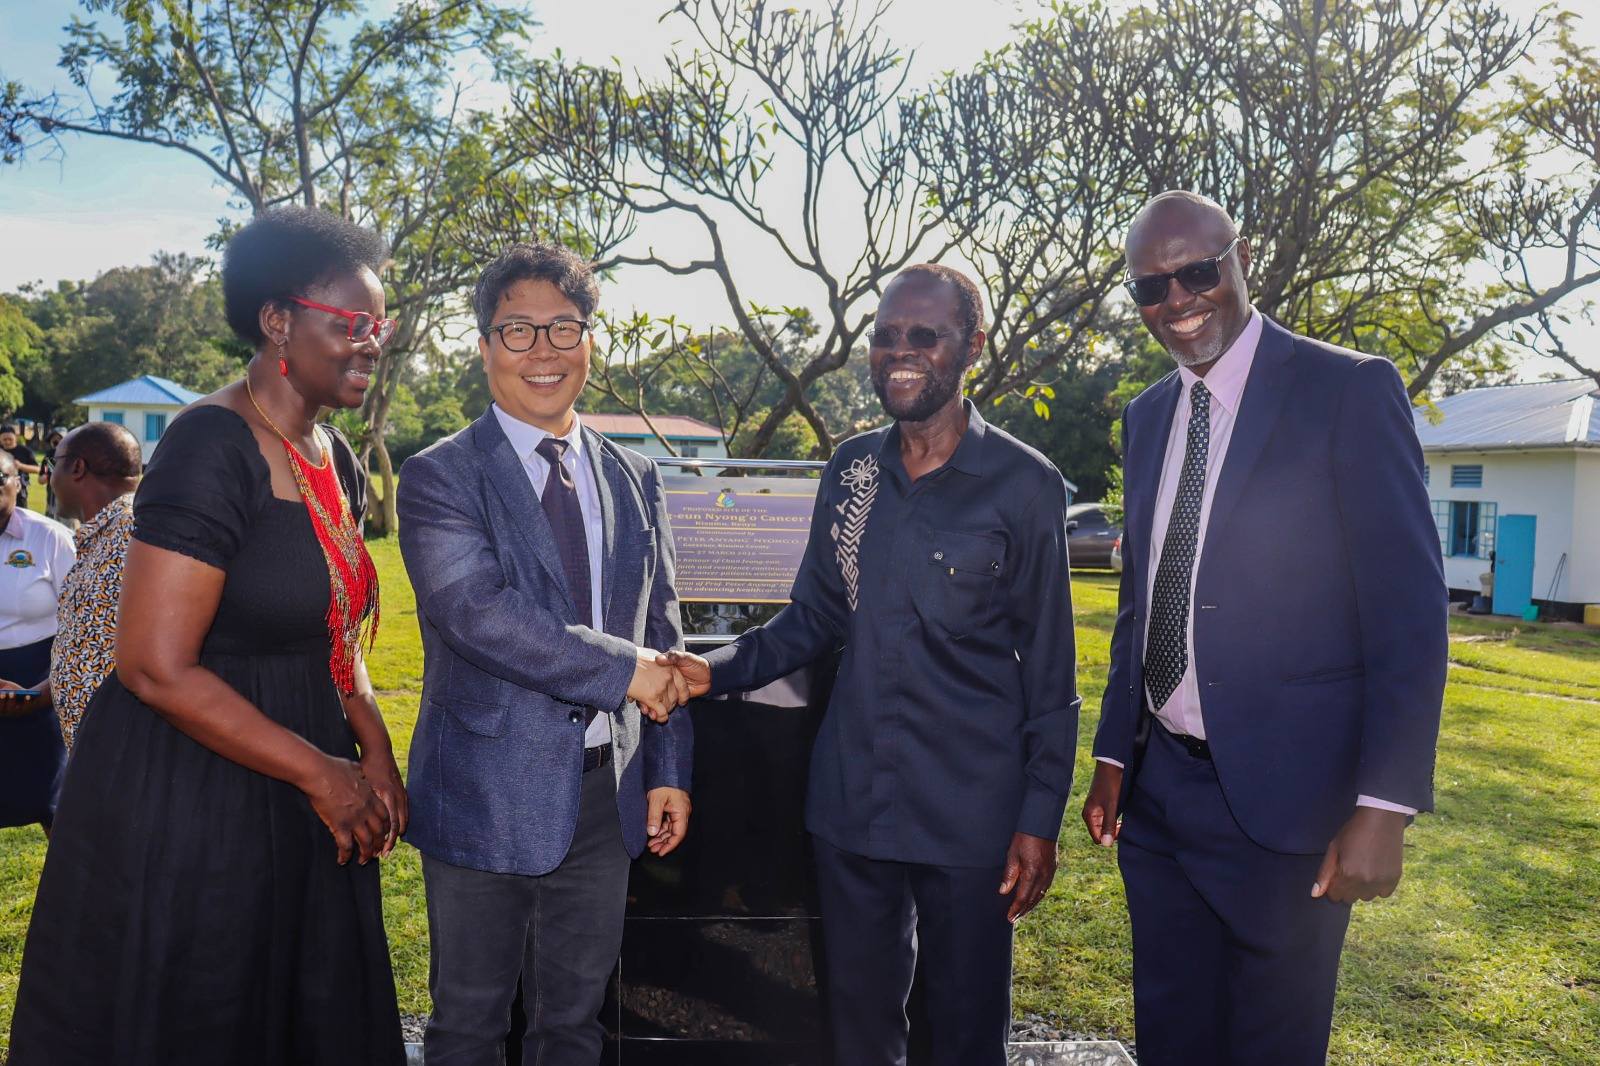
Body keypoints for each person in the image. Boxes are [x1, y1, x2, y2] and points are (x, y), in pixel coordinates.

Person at [9, 206, 409, 1065]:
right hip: (195, 785)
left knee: (300, 1008)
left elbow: (336, 633)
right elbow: (153, 666)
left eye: (381, 326)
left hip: (307, 765)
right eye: (352, 324)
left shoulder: (331, 453)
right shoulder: (208, 444)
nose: (372, 344)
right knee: (206, 1010)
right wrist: (324, 773)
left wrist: (371, 750)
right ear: (278, 322)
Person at [664, 263, 1079, 1066]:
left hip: (971, 815)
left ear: (972, 348)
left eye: (926, 335)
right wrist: (708, 670)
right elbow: (813, 617)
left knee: (964, 1034)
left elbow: (1053, 676)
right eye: (886, 336)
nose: (901, 351)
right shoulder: (852, 469)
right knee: (859, 1031)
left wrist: (1037, 819)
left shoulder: (1026, 486)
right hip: (852, 804)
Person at [1079, 191, 1448, 1065]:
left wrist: (1385, 807)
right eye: (1151, 289)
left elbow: (1407, 610)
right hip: (1162, 801)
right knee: (1171, 1039)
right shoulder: (1146, 416)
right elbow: (1144, 602)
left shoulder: (1348, 389)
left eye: (1196, 274)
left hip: (1289, 806)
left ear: (1239, 260)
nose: (1178, 302)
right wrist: (1113, 755)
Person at [398, 241, 695, 1066]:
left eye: (563, 329)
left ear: (592, 340)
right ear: (485, 345)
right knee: (469, 1028)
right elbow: (475, 611)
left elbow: (662, 626)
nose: (543, 353)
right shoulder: (440, 477)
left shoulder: (636, 476)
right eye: (517, 331)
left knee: (574, 1027)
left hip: (607, 797)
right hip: (482, 792)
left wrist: (668, 764)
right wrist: (625, 671)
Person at [44, 421, 142, 750]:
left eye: (52, 464)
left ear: (77, 467)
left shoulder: (134, 533)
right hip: (93, 753)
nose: (48, 478)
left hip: (121, 754)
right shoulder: (102, 534)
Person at [0, 448, 75, 833]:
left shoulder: (50, 539)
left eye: (0, 478)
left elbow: (82, 618)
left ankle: (71, 892)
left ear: (19, 483)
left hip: (39, 685)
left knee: (54, 801)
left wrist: (42, 691)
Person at [1, 422, 41, 511]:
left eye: (10, 439)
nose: (7, 442)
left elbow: (37, 469)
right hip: (1, 488)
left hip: (20, 490)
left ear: (15, 437)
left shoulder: (24, 451)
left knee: (20, 515)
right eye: (4, 439)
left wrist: (21, 466)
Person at [40, 428, 66, 518]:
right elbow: (41, 478)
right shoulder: (48, 456)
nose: (56, 441)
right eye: (53, 439)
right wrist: (44, 477)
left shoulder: (72, 455)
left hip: (68, 500)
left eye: (59, 438)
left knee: (68, 527)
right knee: (50, 523)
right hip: (51, 497)